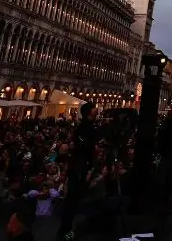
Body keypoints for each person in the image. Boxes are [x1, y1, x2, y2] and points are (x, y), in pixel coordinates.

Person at [57, 102, 101, 241]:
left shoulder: (90, 128)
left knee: (75, 202)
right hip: (78, 169)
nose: (97, 110)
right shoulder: (82, 129)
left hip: (82, 167)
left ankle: (68, 228)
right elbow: (83, 145)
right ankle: (65, 230)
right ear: (89, 112)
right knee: (72, 201)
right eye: (95, 108)